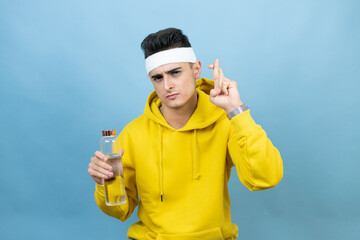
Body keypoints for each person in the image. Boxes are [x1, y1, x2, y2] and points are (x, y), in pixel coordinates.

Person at [88, 27, 283, 240]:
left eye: (175, 72)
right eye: (158, 77)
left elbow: (266, 177)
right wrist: (104, 183)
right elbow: (119, 211)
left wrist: (236, 110)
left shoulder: (225, 122)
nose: (168, 85)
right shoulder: (133, 134)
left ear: (197, 70)